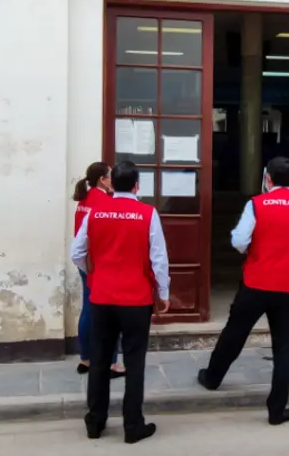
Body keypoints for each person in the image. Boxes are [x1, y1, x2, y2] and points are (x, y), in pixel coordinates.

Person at [197, 157, 289, 426]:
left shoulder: (257, 204)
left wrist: (256, 251)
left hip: (256, 283)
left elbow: (240, 241)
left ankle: (212, 377)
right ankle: (277, 410)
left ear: (268, 178)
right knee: (284, 349)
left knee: (235, 333)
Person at [70, 161, 170, 444]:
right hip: (135, 299)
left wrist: (94, 272)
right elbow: (159, 259)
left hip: (102, 296)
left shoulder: (96, 212)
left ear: (112, 183)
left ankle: (95, 421)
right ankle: (133, 425)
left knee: (100, 360)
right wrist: (163, 294)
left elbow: (77, 251)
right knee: (134, 362)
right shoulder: (147, 213)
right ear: (137, 185)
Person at [72, 162, 124, 379]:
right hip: (100, 263)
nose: (113, 180)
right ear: (103, 179)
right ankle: (110, 363)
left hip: (85, 261)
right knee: (109, 313)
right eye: (111, 176)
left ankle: (85, 358)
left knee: (88, 310)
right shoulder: (104, 202)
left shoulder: (84, 199)